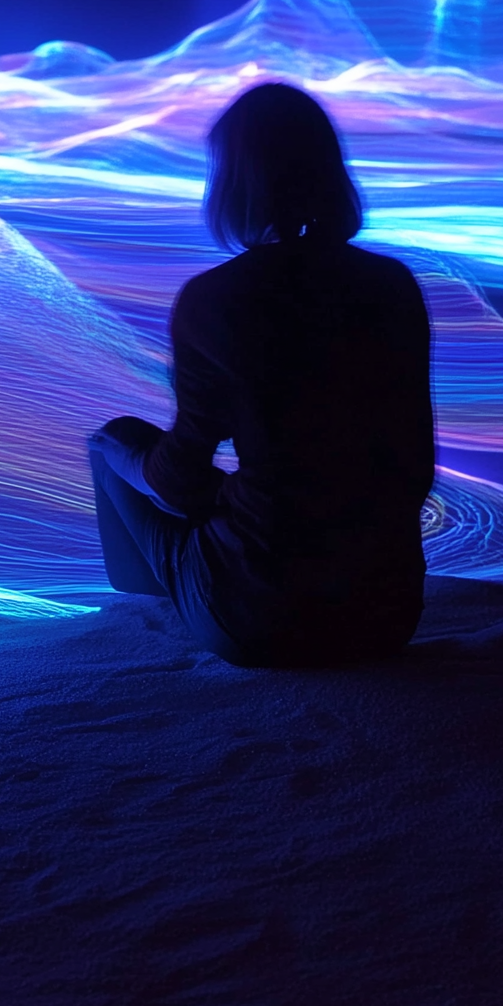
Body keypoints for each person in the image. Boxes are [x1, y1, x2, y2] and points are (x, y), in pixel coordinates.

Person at [88, 81, 435, 667]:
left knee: (112, 441)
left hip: (263, 619)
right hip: (388, 613)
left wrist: (217, 494)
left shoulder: (216, 299)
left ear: (234, 183)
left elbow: (179, 476)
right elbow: (413, 464)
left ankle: (164, 602)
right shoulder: (391, 285)